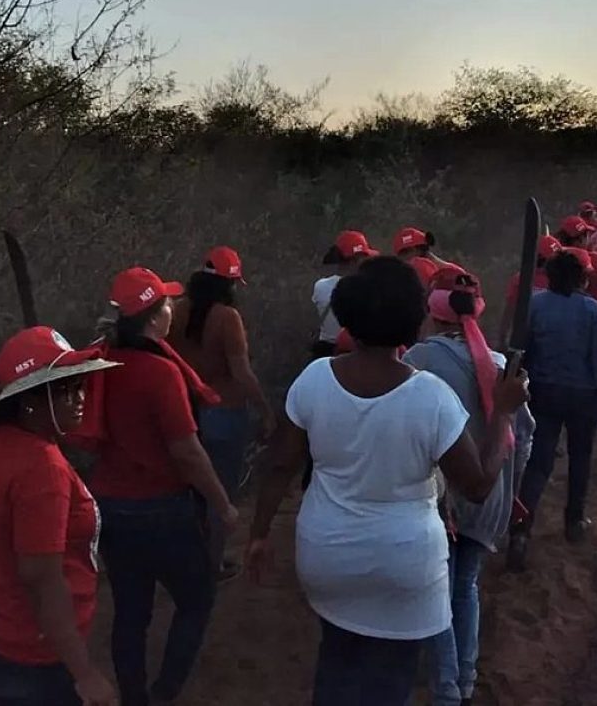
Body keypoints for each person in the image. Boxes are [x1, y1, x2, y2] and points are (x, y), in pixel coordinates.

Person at [246, 257, 528, 706]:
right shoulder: (430, 397)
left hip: (327, 557)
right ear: (413, 322)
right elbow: (476, 485)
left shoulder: (314, 379)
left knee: (336, 661)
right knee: (388, 683)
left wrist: (259, 534)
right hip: (404, 565)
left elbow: (280, 466)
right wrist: (504, 414)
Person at [84, 267, 238, 706]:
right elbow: (187, 453)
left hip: (111, 504)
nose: (173, 308)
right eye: (167, 303)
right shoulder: (160, 372)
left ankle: (134, 697)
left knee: (131, 611)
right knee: (197, 598)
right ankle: (165, 690)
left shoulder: (102, 361)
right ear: (155, 317)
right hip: (161, 508)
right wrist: (223, 506)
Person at [0, 328, 120, 706]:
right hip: (30, 649)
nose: (81, 397)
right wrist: (84, 673)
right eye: (64, 388)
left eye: (80, 384)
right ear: (28, 401)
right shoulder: (41, 469)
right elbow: (42, 579)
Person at [402, 266, 535, 706]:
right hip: (489, 491)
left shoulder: (417, 361)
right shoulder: (501, 364)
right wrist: (509, 489)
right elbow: (524, 434)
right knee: (466, 584)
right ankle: (465, 677)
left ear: (433, 310)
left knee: (440, 588)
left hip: (442, 497)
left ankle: (445, 687)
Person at [508, 250, 597, 568]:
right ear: (582, 279)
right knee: (580, 458)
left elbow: (521, 351)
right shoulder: (594, 312)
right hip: (584, 397)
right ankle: (574, 522)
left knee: (539, 463)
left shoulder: (535, 304)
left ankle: (521, 529)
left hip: (543, 393)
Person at [168, 246, 275, 580]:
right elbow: (241, 373)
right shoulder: (228, 318)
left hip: (184, 412)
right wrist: (265, 409)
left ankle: (182, 560)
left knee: (187, 489)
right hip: (224, 413)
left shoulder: (175, 311)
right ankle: (210, 564)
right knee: (219, 492)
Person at [312, 231, 380, 357]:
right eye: (364, 257)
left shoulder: (320, 286)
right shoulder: (365, 287)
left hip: (324, 351)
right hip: (352, 351)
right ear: (355, 260)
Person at [497, 234, 561, 349]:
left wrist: (503, 338)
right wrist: (503, 338)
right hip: (532, 336)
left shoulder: (520, 278)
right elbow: (509, 310)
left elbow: (509, 311)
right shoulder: (521, 279)